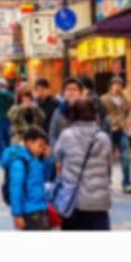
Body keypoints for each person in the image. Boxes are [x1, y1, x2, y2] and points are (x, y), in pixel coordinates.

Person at [51, 96, 114, 231]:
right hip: (99, 201)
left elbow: (57, 156)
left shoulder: (66, 135)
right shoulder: (103, 137)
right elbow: (108, 166)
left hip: (73, 200)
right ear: (94, 114)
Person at [0, 125, 56, 230]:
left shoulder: (33, 159)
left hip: (39, 208)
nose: (41, 149)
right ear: (28, 142)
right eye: (40, 145)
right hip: (29, 212)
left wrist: (47, 159)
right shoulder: (19, 162)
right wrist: (17, 214)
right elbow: (16, 189)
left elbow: (44, 178)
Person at [101, 80, 131, 194]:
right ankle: (106, 182)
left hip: (122, 130)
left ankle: (127, 183)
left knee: (125, 157)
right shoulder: (104, 99)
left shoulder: (125, 99)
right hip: (109, 130)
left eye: (120, 85)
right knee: (107, 158)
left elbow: (128, 113)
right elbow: (101, 114)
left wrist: (126, 123)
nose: (117, 87)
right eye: (115, 85)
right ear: (111, 86)